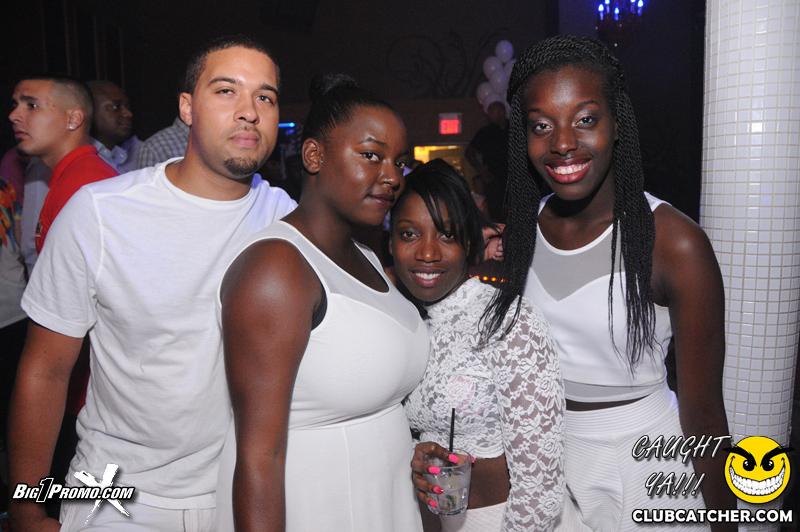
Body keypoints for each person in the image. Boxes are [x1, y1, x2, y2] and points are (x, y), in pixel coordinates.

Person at [8, 35, 295, 531]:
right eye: (226, 91)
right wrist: (26, 506)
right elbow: (46, 369)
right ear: (187, 107)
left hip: (245, 496)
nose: (249, 111)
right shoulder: (101, 213)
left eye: (264, 97)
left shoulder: (289, 222)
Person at [486, 35, 734, 531]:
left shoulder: (675, 243)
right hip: (544, 462)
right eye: (541, 126)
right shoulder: (524, 230)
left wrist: (725, 522)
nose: (562, 143)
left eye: (585, 119)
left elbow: (705, 417)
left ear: (617, 123)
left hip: (643, 462)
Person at [216, 74, 429, 532]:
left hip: (384, 503)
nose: (393, 177)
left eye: (399, 162)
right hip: (317, 509)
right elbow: (259, 457)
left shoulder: (366, 256)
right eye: (371, 156)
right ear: (314, 156)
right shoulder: (276, 268)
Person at [392, 159, 564, 532]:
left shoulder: (507, 319)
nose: (427, 253)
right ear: (390, 242)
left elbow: (540, 489)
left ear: (469, 243)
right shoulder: (398, 321)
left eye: (446, 235)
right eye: (409, 234)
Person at [8, 75, 118, 253]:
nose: (13, 116)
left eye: (32, 106)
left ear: (73, 119)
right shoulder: (71, 175)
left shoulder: (85, 184)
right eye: (15, 105)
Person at [465, 101, 508, 222]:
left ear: (501, 112)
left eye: (491, 112)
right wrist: (480, 168)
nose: (489, 115)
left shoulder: (515, 130)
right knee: (496, 213)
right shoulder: (485, 132)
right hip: (493, 179)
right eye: (489, 112)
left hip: (515, 178)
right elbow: (469, 152)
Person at [87, 80, 142, 174]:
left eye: (127, 107)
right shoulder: (84, 161)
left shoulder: (133, 151)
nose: (128, 114)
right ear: (90, 110)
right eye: (116, 107)